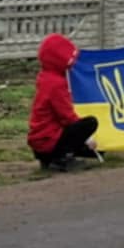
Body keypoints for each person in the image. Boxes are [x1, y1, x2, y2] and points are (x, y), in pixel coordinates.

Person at [29, 33, 101, 172]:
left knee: (76, 130)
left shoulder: (45, 77)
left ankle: (52, 158)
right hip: (49, 140)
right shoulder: (57, 84)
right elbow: (66, 116)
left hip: (40, 140)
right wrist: (86, 138)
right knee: (89, 123)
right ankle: (62, 158)